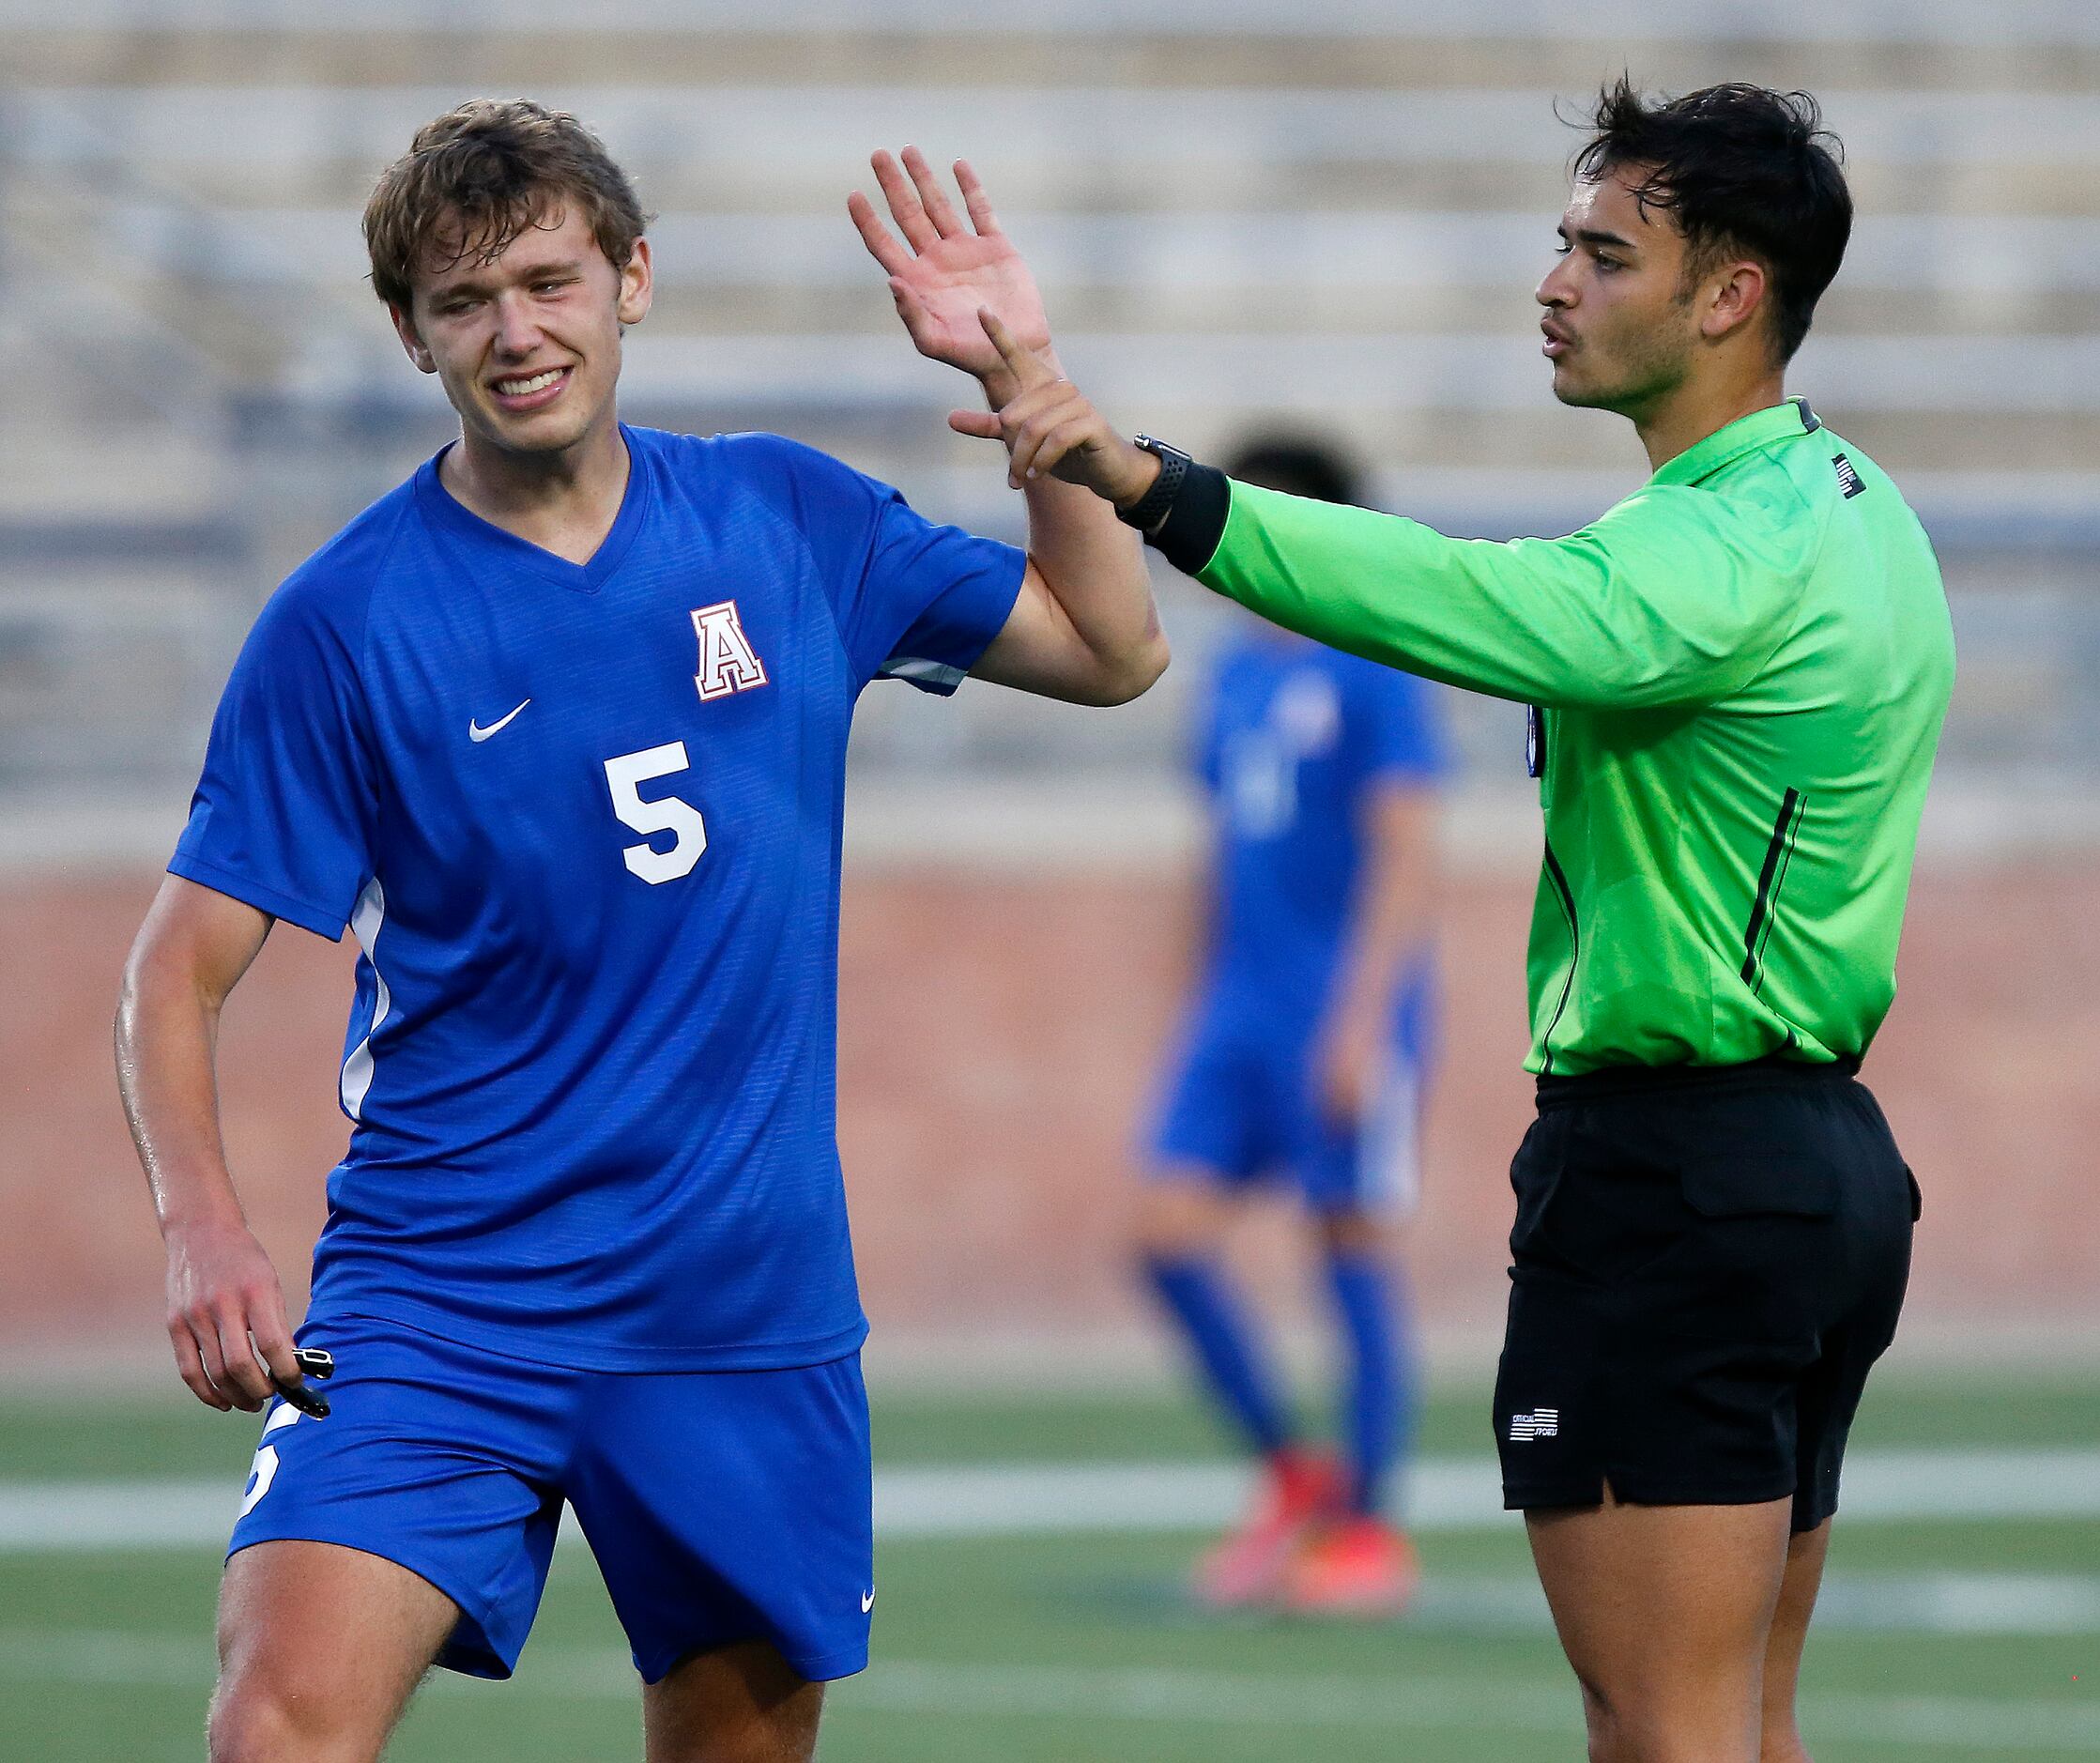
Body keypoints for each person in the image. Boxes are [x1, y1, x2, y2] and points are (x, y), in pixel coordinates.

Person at [114, 102, 1164, 1763]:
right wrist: (205, 1231)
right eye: (464, 302)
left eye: (548, 280)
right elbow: (178, 963)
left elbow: (1112, 651)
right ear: (410, 335)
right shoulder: (345, 619)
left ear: (633, 280)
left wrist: (1035, 396)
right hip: (435, 1291)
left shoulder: (786, 519)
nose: (515, 330)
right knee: (274, 1728)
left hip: (739, 1302)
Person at [947, 80, 1954, 1763]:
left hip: (1676, 1181)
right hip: (1814, 1167)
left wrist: (1133, 474)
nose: (1553, 280)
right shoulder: (1852, 506)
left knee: (1662, 1730)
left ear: (1729, 295)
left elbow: (1475, 602)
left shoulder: (1716, 555)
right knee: (1744, 1720)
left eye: (1603, 251)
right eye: (1562, 242)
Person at [1137, 434, 1443, 1615]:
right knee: (1163, 1235)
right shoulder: (1230, 678)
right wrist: (1189, 1002)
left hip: (1343, 1010)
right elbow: (1212, 852)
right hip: (1238, 1013)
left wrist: (1366, 1024)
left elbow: (1407, 848)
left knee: (1348, 1249)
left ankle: (1365, 1531)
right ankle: (1291, 1473)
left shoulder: (1373, 665)